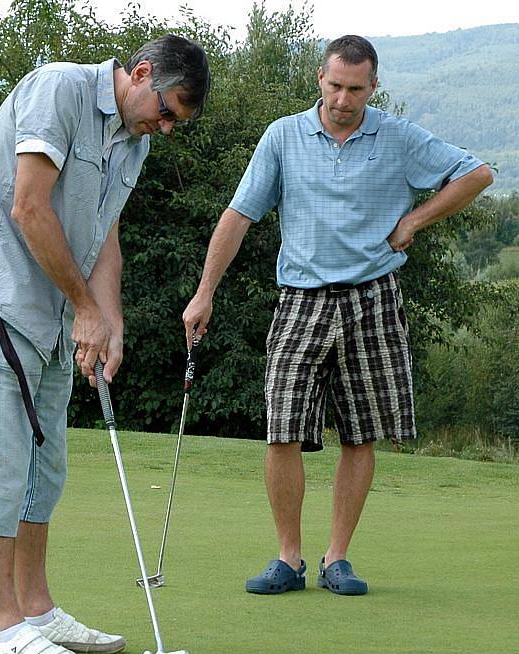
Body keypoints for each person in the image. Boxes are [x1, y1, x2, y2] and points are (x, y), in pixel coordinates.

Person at [183, 35, 492, 597]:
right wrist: (204, 292)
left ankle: (337, 559)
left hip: (373, 298)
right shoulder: (282, 135)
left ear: (373, 87)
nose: (343, 98)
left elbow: (477, 174)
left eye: (355, 88)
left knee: (362, 434)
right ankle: (288, 559)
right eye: (334, 86)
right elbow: (238, 215)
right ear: (319, 80)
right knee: (282, 431)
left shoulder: (398, 138)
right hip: (300, 298)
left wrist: (414, 223)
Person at [0, 34, 210, 654]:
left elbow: (104, 231)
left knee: (46, 470)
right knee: (4, 468)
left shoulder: (134, 141)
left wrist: (108, 319)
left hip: (59, 320)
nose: (167, 127)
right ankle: (4, 628)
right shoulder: (58, 89)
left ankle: (37, 610)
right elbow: (30, 207)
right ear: (140, 73)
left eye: (177, 121)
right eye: (167, 110)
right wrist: (85, 308)